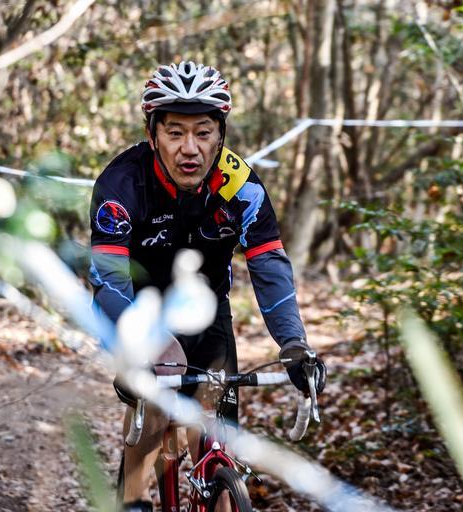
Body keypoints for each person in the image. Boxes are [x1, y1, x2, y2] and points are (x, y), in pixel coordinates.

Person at [88, 61, 326, 512]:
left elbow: (269, 267)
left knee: (216, 435)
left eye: (203, 132)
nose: (189, 148)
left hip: (207, 308)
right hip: (136, 307)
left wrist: (294, 343)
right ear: (152, 134)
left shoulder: (240, 186)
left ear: (221, 135)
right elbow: (108, 279)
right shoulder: (123, 183)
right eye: (175, 133)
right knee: (154, 411)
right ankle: (134, 499)